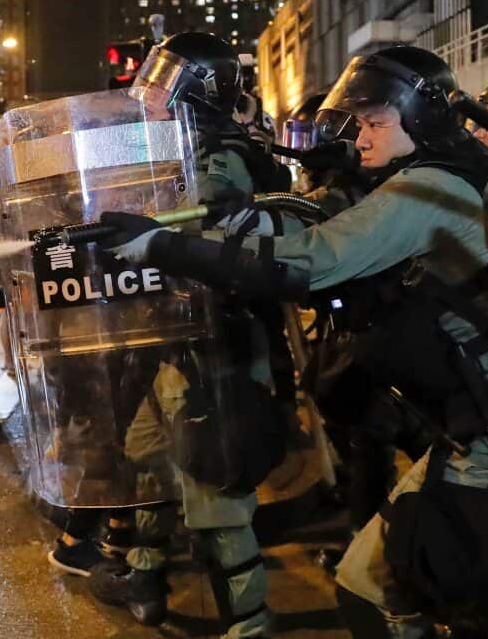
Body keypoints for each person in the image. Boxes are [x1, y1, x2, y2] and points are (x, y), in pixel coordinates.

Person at [101, 46, 488, 638]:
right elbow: (315, 225)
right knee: (466, 582)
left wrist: (160, 246)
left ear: (419, 121)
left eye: (377, 122)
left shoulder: (426, 188)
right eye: (361, 122)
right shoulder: (428, 178)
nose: (362, 135)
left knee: (409, 589)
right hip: (484, 420)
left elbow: (311, 261)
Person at [86, 32, 277, 639]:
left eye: (167, 83)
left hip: (213, 348)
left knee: (215, 489)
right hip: (165, 341)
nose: (151, 95)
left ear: (200, 93)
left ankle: (248, 622)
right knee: (146, 461)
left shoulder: (219, 157)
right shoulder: (172, 150)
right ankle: (145, 573)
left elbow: (208, 240)